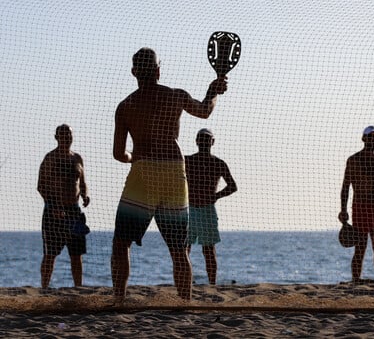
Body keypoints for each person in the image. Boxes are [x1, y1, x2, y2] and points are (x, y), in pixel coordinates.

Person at [112, 47, 227, 301]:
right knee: (178, 249)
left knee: (121, 244)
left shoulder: (126, 106)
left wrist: (134, 157)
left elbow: (119, 154)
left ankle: (118, 300)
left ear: (134, 72)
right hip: (174, 173)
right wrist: (213, 91)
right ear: (158, 71)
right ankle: (185, 301)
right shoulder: (175, 96)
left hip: (143, 173)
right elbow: (205, 110)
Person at [37, 124, 90, 288]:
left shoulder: (77, 159)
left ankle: (78, 287)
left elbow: (82, 183)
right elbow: (41, 186)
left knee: (76, 254)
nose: (67, 138)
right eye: (63, 135)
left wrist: (85, 195)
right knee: (50, 254)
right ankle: (44, 287)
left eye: (69, 135)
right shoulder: (50, 158)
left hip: (74, 212)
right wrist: (53, 206)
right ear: (56, 137)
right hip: (54, 212)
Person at [185, 128, 237, 285]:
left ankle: (212, 284)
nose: (204, 141)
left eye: (207, 139)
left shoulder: (218, 163)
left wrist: (215, 196)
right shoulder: (186, 160)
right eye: (201, 138)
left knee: (207, 250)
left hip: (206, 210)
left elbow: (232, 186)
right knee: (183, 249)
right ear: (196, 141)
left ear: (212, 142)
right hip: (189, 209)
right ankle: (185, 281)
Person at [339, 126, 374, 283]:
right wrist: (343, 210)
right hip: (360, 205)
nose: (373, 140)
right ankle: (355, 279)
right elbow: (346, 185)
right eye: (371, 137)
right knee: (360, 248)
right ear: (363, 138)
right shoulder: (353, 159)